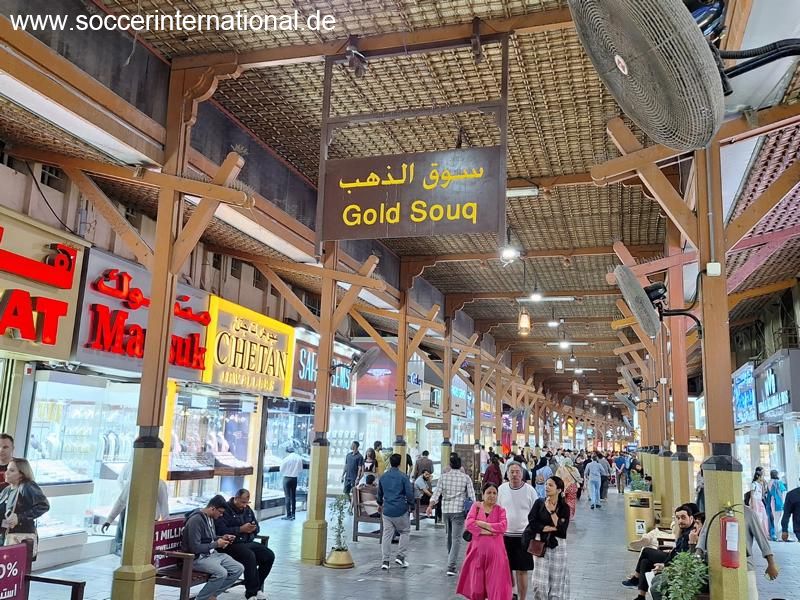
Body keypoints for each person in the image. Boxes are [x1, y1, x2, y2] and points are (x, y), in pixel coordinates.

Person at [622, 504, 695, 598]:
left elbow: (682, 554)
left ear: (691, 518)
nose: (680, 521)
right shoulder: (683, 530)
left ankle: (636, 578)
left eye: (683, 517)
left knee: (646, 551)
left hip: (673, 561)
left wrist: (665, 565)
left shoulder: (690, 534)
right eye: (678, 518)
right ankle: (641, 596)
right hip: (670, 556)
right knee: (645, 561)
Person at [456, 482, 512, 600]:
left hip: (496, 555)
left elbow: (503, 526)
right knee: (476, 587)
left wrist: (483, 524)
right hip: (476, 554)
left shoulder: (500, 510)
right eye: (489, 492)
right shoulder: (476, 507)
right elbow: (469, 524)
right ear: (483, 494)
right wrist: (489, 531)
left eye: (494, 493)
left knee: (495, 586)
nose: (492, 495)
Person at [215, 489, 274, 600]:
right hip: (231, 544)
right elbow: (221, 531)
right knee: (249, 555)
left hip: (247, 541)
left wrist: (253, 529)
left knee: (268, 555)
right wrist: (241, 529)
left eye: (247, 502)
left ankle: (257, 588)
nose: (244, 505)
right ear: (236, 498)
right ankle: (250, 593)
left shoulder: (247, 510)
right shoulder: (225, 510)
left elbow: (257, 527)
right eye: (242, 502)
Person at [181, 495, 244, 600]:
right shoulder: (196, 520)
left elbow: (209, 538)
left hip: (211, 554)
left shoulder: (210, 518)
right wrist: (217, 544)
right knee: (221, 573)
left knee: (238, 568)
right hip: (196, 558)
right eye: (220, 512)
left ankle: (212, 595)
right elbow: (195, 548)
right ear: (213, 508)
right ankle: (202, 598)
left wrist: (222, 538)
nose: (221, 515)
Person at [427, 453, 476, 576]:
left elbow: (436, 494)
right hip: (458, 511)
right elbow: (472, 497)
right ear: (460, 466)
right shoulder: (466, 478)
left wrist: (430, 506)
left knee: (449, 536)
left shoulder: (443, 477)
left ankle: (451, 558)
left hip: (445, 511)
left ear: (450, 465)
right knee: (456, 539)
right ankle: (451, 566)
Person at [102, 470, 169, 554]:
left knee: (142, 550)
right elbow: (121, 502)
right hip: (133, 521)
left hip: (148, 523)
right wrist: (109, 520)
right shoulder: (132, 483)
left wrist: (166, 526)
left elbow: (164, 506)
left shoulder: (159, 484)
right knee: (131, 549)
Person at [497, 462, 538, 600]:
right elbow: (496, 510)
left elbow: (535, 513)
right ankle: (511, 593)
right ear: (507, 474)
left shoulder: (530, 490)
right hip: (505, 535)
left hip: (523, 536)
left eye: (517, 472)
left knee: (522, 571)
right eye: (512, 472)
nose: (514, 474)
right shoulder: (501, 489)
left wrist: (533, 533)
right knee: (506, 569)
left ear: (522, 474)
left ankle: (522, 598)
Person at [525, 476, 571, 600]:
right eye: (546, 484)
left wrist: (552, 512)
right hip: (540, 544)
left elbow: (562, 530)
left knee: (556, 585)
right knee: (539, 584)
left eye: (550, 485)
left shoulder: (564, 507)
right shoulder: (539, 503)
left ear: (559, 490)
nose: (547, 487)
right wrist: (550, 528)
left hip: (558, 547)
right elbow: (532, 523)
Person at [0, 458, 49, 557]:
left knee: (18, 564)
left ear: (21, 474)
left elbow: (43, 505)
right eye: (7, 469)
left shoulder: (27, 486)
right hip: (6, 536)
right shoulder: (6, 490)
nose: (6, 473)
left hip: (19, 538)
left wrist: (19, 518)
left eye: (12, 470)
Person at [377, 453, 415, 570]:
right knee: (405, 532)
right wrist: (411, 505)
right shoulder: (403, 477)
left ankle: (385, 561)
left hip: (387, 511)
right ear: (399, 463)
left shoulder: (383, 477)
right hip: (400, 510)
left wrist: (380, 504)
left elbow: (379, 495)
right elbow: (409, 494)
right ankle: (400, 556)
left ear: (390, 462)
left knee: (386, 535)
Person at [280, 447, 304, 520]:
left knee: (287, 496)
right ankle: (293, 514)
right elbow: (300, 469)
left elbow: (281, 470)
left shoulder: (286, 459)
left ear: (287, 452)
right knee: (293, 496)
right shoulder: (298, 458)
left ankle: (288, 515)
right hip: (294, 478)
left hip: (286, 478)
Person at [766, 469, 787, 541]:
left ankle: (773, 535)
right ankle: (778, 536)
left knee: (773, 520)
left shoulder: (769, 482)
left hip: (770, 503)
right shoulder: (779, 482)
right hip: (778, 503)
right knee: (777, 520)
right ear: (777, 475)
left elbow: (768, 494)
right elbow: (783, 493)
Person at [750, 467, 769, 536]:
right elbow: (752, 495)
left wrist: (764, 485)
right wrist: (752, 504)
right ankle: (757, 533)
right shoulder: (754, 484)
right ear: (758, 476)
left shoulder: (760, 484)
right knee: (758, 517)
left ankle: (763, 532)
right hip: (755, 502)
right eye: (762, 476)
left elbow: (763, 494)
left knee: (764, 517)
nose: (763, 478)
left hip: (759, 501)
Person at [780, 476, 800, 542]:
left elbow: (786, 514)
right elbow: (786, 514)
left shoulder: (791, 495)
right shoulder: (791, 495)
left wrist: (784, 530)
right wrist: (784, 530)